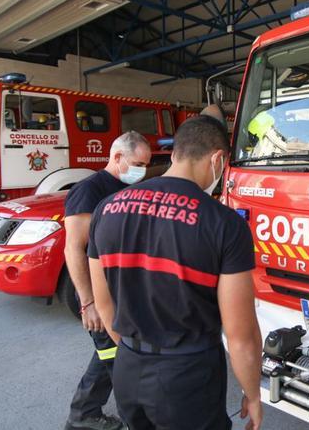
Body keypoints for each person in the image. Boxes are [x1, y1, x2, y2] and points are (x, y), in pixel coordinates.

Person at [88, 115, 263, 430]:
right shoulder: (224, 223)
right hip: (188, 376)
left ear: (173, 154)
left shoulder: (107, 208)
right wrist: (252, 393)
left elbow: (104, 306)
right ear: (218, 159)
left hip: (127, 368)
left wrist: (136, 350)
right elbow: (242, 336)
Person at [63, 131, 152, 430]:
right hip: (99, 297)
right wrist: (87, 302)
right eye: (138, 163)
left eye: (145, 165)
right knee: (120, 362)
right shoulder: (89, 190)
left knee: (108, 356)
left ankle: (83, 413)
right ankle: (136, 422)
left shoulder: (128, 188)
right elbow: (74, 246)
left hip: (120, 293)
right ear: (117, 158)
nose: (142, 170)